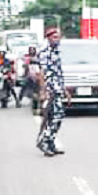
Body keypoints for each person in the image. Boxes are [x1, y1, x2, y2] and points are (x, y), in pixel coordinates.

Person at [35, 25, 66, 156]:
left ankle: (50, 142)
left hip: (57, 88)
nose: (57, 39)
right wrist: (43, 91)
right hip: (49, 89)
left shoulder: (56, 51)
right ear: (48, 38)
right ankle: (44, 140)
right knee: (54, 116)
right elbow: (42, 72)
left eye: (58, 37)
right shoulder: (45, 52)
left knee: (57, 116)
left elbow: (58, 72)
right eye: (54, 37)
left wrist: (64, 88)